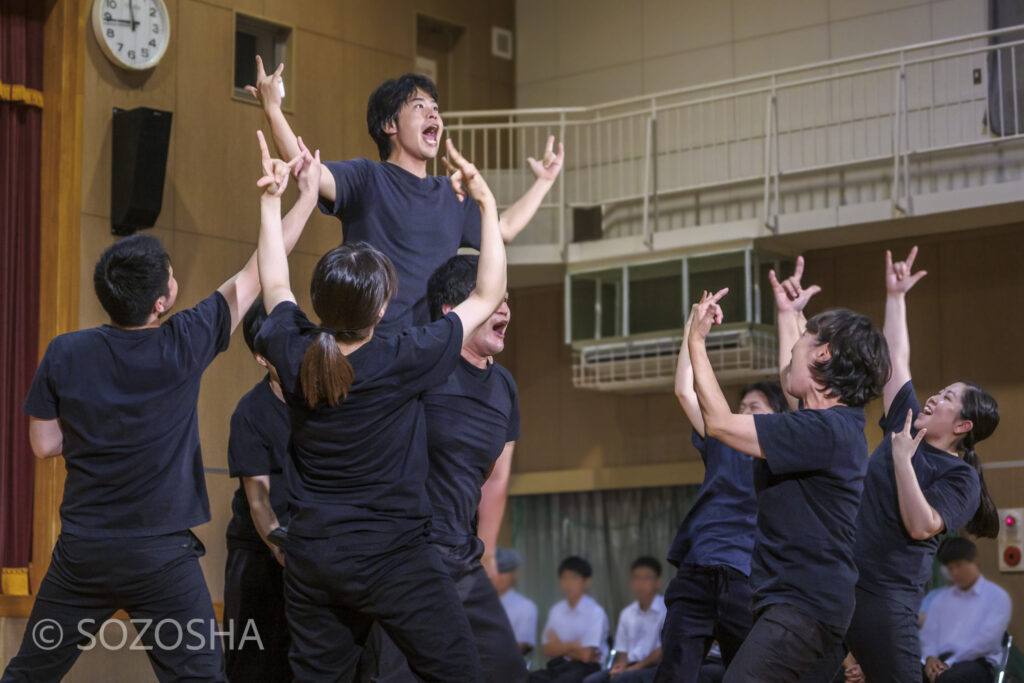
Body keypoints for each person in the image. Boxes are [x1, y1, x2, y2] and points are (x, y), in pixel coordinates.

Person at [2, 135, 315, 683]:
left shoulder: (65, 351)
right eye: (170, 274)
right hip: (161, 560)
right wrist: (300, 199)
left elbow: (44, 444)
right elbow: (257, 274)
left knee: (29, 675)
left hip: (84, 553)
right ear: (160, 303)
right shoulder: (182, 343)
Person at [253, 136, 506, 682]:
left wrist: (272, 203)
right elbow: (487, 296)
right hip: (394, 557)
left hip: (313, 557)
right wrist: (485, 206)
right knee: (461, 671)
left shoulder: (294, 349)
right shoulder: (401, 355)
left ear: (318, 303)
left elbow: (274, 280)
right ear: (385, 306)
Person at [684, 255, 890, 682]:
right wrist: (788, 315)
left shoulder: (824, 432)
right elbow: (793, 381)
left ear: (824, 354)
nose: (794, 349)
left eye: (804, 341)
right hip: (808, 603)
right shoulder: (831, 424)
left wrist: (697, 341)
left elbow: (719, 423)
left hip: (804, 606)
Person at [247, 59, 564, 335]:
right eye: (420, 107)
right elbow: (307, 171)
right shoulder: (367, 177)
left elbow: (503, 228)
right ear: (389, 125)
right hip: (368, 344)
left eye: (437, 110)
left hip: (429, 351)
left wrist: (543, 183)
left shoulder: (452, 192)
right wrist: (272, 108)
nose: (434, 116)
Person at [803, 246, 1001, 683]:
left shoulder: (960, 477)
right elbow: (897, 362)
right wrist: (896, 298)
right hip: (840, 583)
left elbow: (920, 525)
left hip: (886, 598)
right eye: (940, 390)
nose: (934, 396)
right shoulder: (906, 421)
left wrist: (901, 460)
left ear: (963, 424)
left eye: (947, 398)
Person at [356, 254, 525, 682]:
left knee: (504, 669)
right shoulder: (423, 365)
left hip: (462, 554)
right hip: (407, 553)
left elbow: (498, 478)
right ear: (454, 312)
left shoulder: (504, 386)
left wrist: (484, 555)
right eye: (492, 299)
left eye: (507, 299)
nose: (504, 308)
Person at [656, 305, 789, 683]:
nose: (743, 411)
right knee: (673, 674)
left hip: (745, 578)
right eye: (741, 405)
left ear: (776, 417)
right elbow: (684, 390)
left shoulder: (782, 451)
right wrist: (691, 330)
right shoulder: (721, 438)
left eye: (755, 407)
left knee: (746, 675)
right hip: (697, 571)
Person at [222, 299, 292, 682]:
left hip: (311, 552)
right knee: (254, 668)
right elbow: (258, 500)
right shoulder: (250, 413)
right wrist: (284, 550)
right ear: (261, 357)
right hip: (261, 554)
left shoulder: (322, 400)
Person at [919, 537, 1011, 683]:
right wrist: (930, 659)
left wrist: (948, 664)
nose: (954, 573)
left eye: (959, 565)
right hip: (940, 658)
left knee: (947, 679)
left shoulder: (995, 597)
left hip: (977, 662)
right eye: (950, 568)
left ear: (974, 562)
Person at [584, 557, 667, 683]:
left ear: (658, 581)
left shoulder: (667, 609)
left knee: (621, 680)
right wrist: (620, 666)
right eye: (636, 578)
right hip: (632, 665)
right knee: (591, 680)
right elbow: (622, 653)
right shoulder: (627, 613)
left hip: (657, 667)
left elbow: (663, 650)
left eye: (646, 578)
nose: (641, 583)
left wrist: (634, 668)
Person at [531, 556, 610, 683]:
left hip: (587, 668)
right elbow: (546, 649)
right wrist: (573, 645)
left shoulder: (596, 612)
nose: (568, 583)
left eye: (574, 578)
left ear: (586, 582)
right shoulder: (556, 610)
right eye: (564, 578)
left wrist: (560, 645)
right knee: (529, 678)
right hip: (559, 665)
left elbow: (586, 656)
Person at [496, 548, 539, 655]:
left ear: (515, 573)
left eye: (504, 571)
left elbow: (522, 646)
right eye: (496, 571)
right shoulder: (476, 601)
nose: (499, 576)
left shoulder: (525, 606)